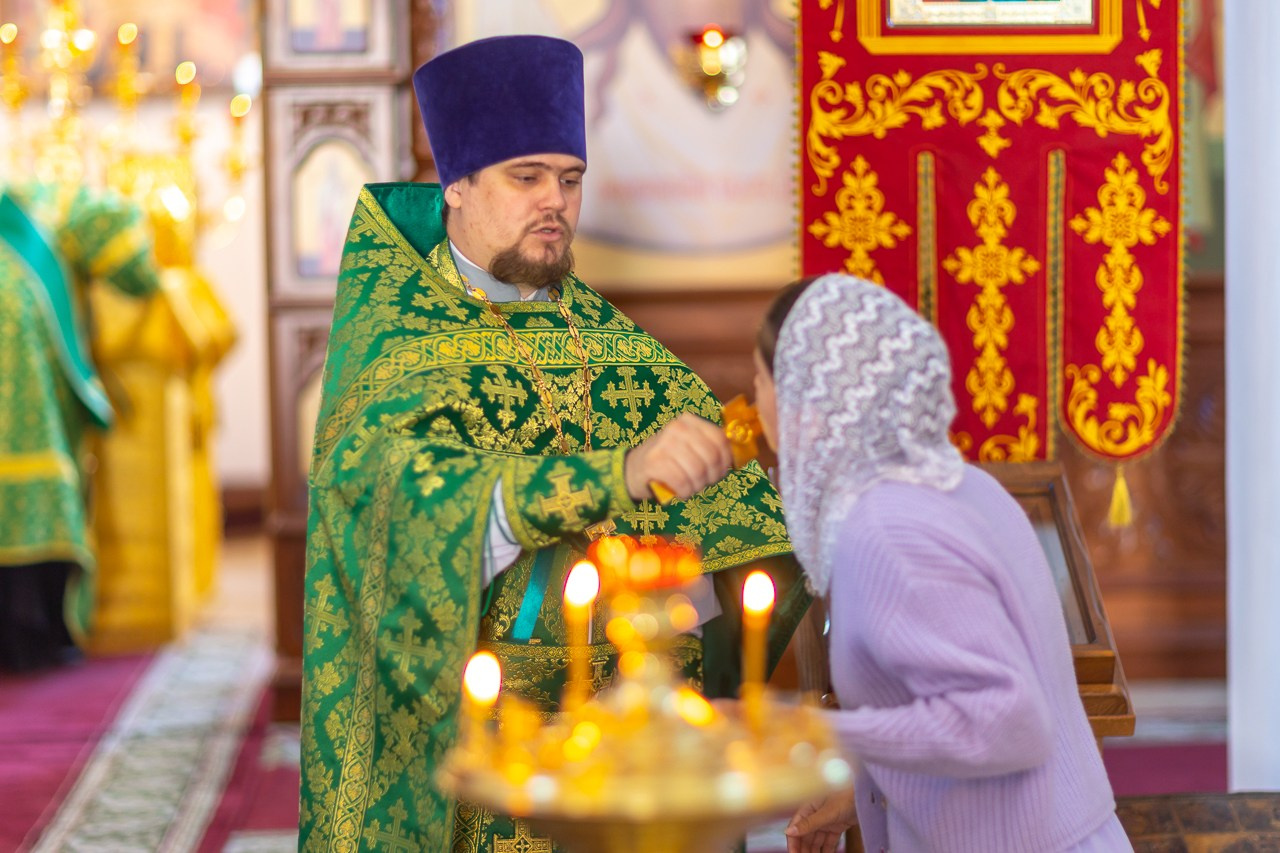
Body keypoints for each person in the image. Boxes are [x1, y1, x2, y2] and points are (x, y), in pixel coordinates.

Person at [298, 34, 810, 852]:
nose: (555, 203)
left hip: (632, 750)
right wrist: (615, 475)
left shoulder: (605, 336)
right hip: (491, 760)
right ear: (457, 184)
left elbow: (753, 532)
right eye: (526, 176)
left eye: (569, 180)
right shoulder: (399, 343)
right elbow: (399, 499)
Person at [750, 274, 1132, 853]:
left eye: (758, 380)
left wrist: (803, 731)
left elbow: (1008, 721)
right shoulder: (961, 483)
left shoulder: (884, 526)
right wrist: (868, 789)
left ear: (805, 399)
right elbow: (946, 707)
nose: (753, 405)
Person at [0, 181, 159, 671]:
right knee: (38, 485)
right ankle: (34, 635)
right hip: (31, 417)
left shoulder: (30, 237)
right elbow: (140, 277)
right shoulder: (55, 227)